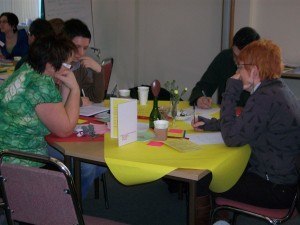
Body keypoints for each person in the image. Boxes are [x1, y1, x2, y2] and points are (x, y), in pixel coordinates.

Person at [193, 39, 300, 209]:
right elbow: (247, 124)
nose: (237, 72)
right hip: (283, 180)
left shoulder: (264, 97)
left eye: (240, 67)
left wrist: (230, 92)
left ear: (254, 71)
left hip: (275, 188)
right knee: (226, 169)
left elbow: (231, 138)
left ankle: (219, 220)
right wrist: (212, 124)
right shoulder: (276, 90)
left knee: (205, 179)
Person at [0, 36, 79, 166]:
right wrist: (75, 89)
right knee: (85, 167)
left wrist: (66, 85)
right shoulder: (41, 84)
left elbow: (60, 117)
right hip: (21, 159)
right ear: (50, 64)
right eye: (66, 64)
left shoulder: (26, 70)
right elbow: (64, 130)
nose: (69, 69)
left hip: (7, 151)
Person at [189, 27, 260, 109]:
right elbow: (202, 87)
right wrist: (199, 98)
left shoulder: (265, 68)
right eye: (234, 55)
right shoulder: (225, 57)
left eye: (241, 58)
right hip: (225, 115)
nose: (236, 61)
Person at [63, 18, 105, 106]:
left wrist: (98, 71)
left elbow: (96, 98)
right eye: (77, 47)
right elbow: (57, 100)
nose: (81, 53)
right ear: (64, 43)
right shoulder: (53, 66)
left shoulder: (78, 66)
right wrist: (80, 102)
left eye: (85, 48)